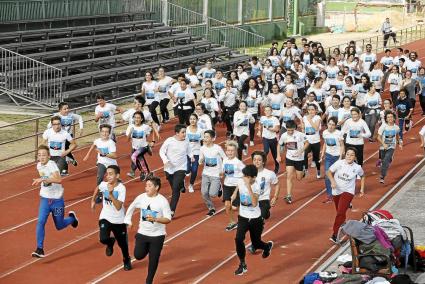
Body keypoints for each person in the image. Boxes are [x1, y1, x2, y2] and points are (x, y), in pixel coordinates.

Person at [31, 145, 79, 258]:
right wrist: (44, 180)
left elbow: (58, 179)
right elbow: (47, 180)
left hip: (57, 201)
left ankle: (72, 219)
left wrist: (43, 179)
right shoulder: (39, 165)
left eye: (44, 155)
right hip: (45, 199)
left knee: (59, 225)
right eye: (39, 155)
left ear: (49, 156)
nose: (41, 157)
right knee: (40, 222)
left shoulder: (52, 165)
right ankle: (39, 249)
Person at [124, 176, 172, 284]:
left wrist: (155, 219)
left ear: (156, 187)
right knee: (138, 255)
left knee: (153, 260)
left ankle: (149, 281)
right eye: (146, 185)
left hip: (157, 236)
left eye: (149, 186)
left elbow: (168, 219)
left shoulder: (162, 201)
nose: (146, 188)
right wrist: (128, 220)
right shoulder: (141, 197)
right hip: (143, 233)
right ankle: (145, 247)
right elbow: (132, 206)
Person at [232, 164, 274, 276]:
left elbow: (255, 203)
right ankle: (242, 264)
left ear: (254, 177)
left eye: (247, 177)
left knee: (256, 243)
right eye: (244, 176)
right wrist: (234, 193)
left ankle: (267, 246)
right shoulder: (242, 180)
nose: (245, 178)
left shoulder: (257, 186)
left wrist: (248, 187)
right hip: (243, 217)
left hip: (256, 219)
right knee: (238, 239)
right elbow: (238, 184)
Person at [90, 165, 132, 271]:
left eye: (111, 174)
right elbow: (97, 188)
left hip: (119, 220)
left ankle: (126, 259)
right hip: (105, 217)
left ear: (117, 176)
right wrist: (93, 200)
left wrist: (110, 194)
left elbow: (118, 207)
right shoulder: (104, 184)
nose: (108, 176)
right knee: (103, 238)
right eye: (107, 174)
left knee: (123, 244)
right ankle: (110, 242)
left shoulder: (121, 188)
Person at [327, 148, 365, 243]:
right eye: (348, 154)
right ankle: (344, 216)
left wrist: (362, 189)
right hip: (336, 191)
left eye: (352, 155)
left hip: (348, 191)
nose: (349, 156)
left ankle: (335, 235)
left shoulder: (357, 167)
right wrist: (332, 181)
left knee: (340, 212)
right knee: (340, 212)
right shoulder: (339, 163)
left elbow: (363, 176)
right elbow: (328, 172)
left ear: (355, 157)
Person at [159, 124, 192, 217]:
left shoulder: (186, 140)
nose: (185, 134)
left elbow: (189, 149)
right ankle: (182, 185)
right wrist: (165, 161)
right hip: (169, 168)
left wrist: (191, 156)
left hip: (181, 167)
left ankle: (171, 210)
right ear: (177, 133)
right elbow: (161, 151)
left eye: (185, 132)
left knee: (175, 189)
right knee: (174, 186)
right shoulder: (169, 141)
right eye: (183, 132)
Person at [277, 120, 309, 204]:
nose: (290, 132)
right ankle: (289, 196)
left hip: (299, 159)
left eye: (292, 130)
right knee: (289, 176)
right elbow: (279, 145)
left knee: (299, 178)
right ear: (286, 128)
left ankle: (304, 171)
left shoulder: (300, 135)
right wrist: (278, 155)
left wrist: (301, 150)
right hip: (289, 158)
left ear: (294, 128)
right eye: (288, 130)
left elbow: (307, 143)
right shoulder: (284, 135)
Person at [199, 130, 226, 216]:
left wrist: (222, 170)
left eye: (207, 137)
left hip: (216, 174)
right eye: (204, 137)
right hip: (206, 173)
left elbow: (225, 158)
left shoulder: (217, 148)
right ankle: (211, 208)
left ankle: (219, 188)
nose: (205, 139)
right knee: (204, 193)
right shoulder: (202, 148)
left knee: (213, 194)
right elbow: (200, 160)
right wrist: (201, 160)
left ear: (212, 138)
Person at [48, 101, 83, 167]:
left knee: (65, 149)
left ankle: (67, 162)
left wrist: (81, 128)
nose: (67, 110)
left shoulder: (71, 115)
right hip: (60, 136)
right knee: (63, 150)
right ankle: (70, 159)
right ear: (60, 110)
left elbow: (80, 117)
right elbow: (49, 125)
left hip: (69, 135)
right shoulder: (57, 116)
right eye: (65, 109)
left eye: (68, 108)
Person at [125, 111, 156, 181]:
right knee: (141, 160)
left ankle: (142, 171)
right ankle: (148, 173)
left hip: (143, 147)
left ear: (142, 119)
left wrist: (152, 142)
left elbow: (151, 132)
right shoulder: (130, 127)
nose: (136, 119)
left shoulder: (145, 127)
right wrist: (130, 132)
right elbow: (127, 140)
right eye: (135, 117)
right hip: (134, 147)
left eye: (138, 118)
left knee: (134, 156)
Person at [222, 141, 245, 231]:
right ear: (226, 151)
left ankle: (243, 219)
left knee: (235, 207)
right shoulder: (224, 160)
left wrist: (240, 184)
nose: (230, 152)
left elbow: (245, 173)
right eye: (228, 150)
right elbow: (224, 171)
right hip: (227, 185)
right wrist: (221, 173)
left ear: (235, 152)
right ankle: (232, 222)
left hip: (237, 187)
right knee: (227, 205)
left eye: (232, 151)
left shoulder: (238, 162)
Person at [321, 117, 344, 203]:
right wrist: (323, 153)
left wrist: (341, 157)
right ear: (327, 124)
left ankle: (340, 193)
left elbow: (342, 145)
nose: (330, 126)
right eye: (329, 124)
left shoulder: (339, 133)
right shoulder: (325, 132)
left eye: (333, 125)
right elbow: (325, 144)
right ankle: (329, 195)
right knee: (327, 175)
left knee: (338, 176)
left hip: (337, 156)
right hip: (328, 156)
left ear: (335, 126)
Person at [377, 110, 402, 184]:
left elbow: (397, 135)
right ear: (386, 119)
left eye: (391, 117)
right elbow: (378, 137)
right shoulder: (383, 126)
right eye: (388, 117)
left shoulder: (396, 128)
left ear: (394, 118)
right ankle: (389, 159)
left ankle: (382, 176)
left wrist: (399, 143)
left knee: (385, 161)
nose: (390, 118)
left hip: (391, 146)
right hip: (383, 147)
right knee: (383, 160)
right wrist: (383, 144)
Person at [257, 105, 281, 174]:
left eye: (269, 110)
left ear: (271, 111)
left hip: (273, 139)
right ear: (264, 112)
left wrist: (269, 128)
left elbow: (277, 129)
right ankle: (261, 166)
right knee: (266, 151)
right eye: (266, 110)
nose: (267, 112)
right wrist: (259, 131)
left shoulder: (275, 119)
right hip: (265, 138)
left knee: (274, 154)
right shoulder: (262, 118)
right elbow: (260, 124)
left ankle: (277, 166)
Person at [186, 113, 203, 193]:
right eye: (191, 119)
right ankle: (186, 172)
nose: (192, 120)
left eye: (194, 119)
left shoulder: (200, 130)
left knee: (195, 170)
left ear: (197, 120)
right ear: (189, 120)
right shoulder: (186, 130)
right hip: (187, 152)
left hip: (197, 152)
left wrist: (203, 153)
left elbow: (203, 142)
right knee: (187, 169)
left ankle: (191, 185)